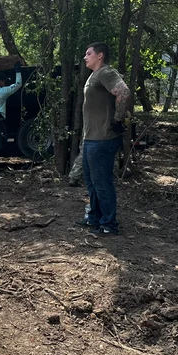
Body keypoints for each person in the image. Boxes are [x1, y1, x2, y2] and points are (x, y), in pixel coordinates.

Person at [77, 42, 132, 235]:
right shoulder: (94, 75)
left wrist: (117, 120)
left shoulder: (106, 72)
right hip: (91, 138)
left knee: (102, 182)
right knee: (92, 182)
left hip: (103, 138)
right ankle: (94, 218)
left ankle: (109, 224)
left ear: (100, 55)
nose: (85, 57)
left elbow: (123, 92)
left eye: (88, 53)